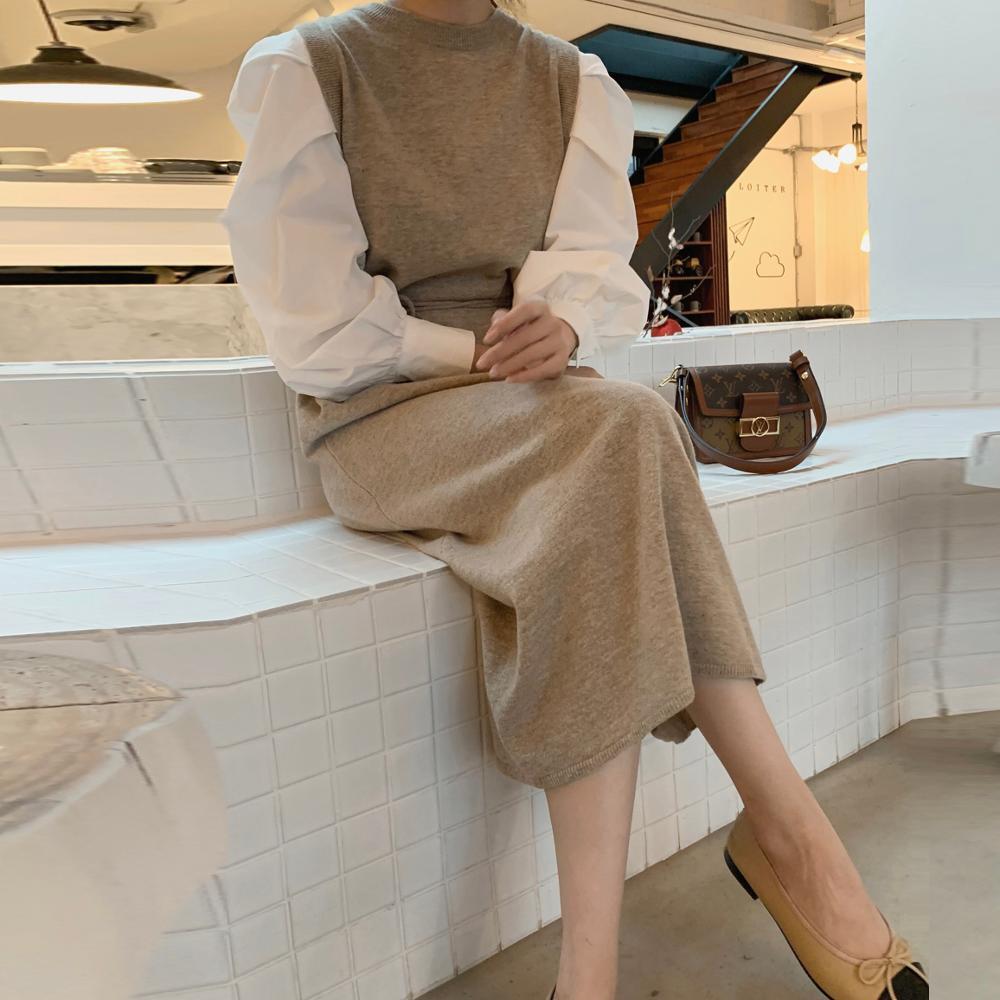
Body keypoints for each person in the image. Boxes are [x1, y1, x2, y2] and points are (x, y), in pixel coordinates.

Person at [221, 2, 928, 998]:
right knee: (626, 427)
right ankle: (790, 839)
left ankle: (595, 968)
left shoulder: (567, 79)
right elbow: (315, 335)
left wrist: (563, 327)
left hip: (541, 410)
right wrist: (479, 351)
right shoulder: (309, 65)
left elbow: (593, 277)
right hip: (384, 420)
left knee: (620, 438)